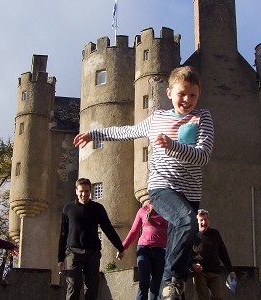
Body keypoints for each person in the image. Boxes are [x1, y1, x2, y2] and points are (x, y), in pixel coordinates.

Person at [73, 66, 214, 300]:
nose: (187, 100)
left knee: (177, 243)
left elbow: (203, 155)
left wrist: (173, 146)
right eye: (182, 94)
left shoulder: (202, 117)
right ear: (169, 93)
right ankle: (174, 281)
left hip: (189, 193)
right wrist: (94, 134)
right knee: (187, 220)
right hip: (161, 189)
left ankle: (166, 292)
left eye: (193, 95)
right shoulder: (158, 118)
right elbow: (128, 131)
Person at [57, 178, 125, 300]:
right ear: (76, 191)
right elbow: (63, 234)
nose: (84, 194)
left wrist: (120, 247)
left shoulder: (97, 208)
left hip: (92, 253)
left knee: (92, 288)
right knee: (74, 284)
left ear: (90, 191)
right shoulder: (68, 208)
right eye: (81, 191)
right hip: (73, 252)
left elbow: (108, 229)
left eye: (87, 191)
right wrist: (60, 259)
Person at [116, 200, 168, 300]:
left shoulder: (166, 211)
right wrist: (122, 248)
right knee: (144, 283)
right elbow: (134, 231)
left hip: (160, 251)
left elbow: (173, 232)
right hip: (144, 250)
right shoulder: (143, 210)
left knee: (156, 286)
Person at [191, 209, 236, 300]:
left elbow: (223, 253)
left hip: (215, 272)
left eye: (206, 219)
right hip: (200, 272)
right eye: (201, 220)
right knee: (202, 297)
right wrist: (193, 264)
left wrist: (230, 271)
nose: (204, 222)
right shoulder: (193, 235)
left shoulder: (215, 234)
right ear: (197, 222)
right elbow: (187, 253)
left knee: (218, 296)